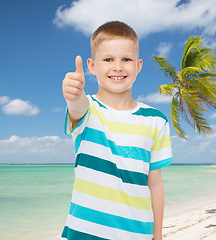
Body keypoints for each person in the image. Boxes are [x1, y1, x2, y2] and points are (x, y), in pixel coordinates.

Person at [61, 21, 172, 240]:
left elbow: (156, 184)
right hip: (83, 234)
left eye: (126, 59)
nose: (118, 67)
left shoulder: (156, 121)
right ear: (92, 66)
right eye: (108, 59)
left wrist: (157, 235)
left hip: (137, 234)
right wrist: (73, 96)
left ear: (138, 66)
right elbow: (77, 108)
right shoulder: (89, 109)